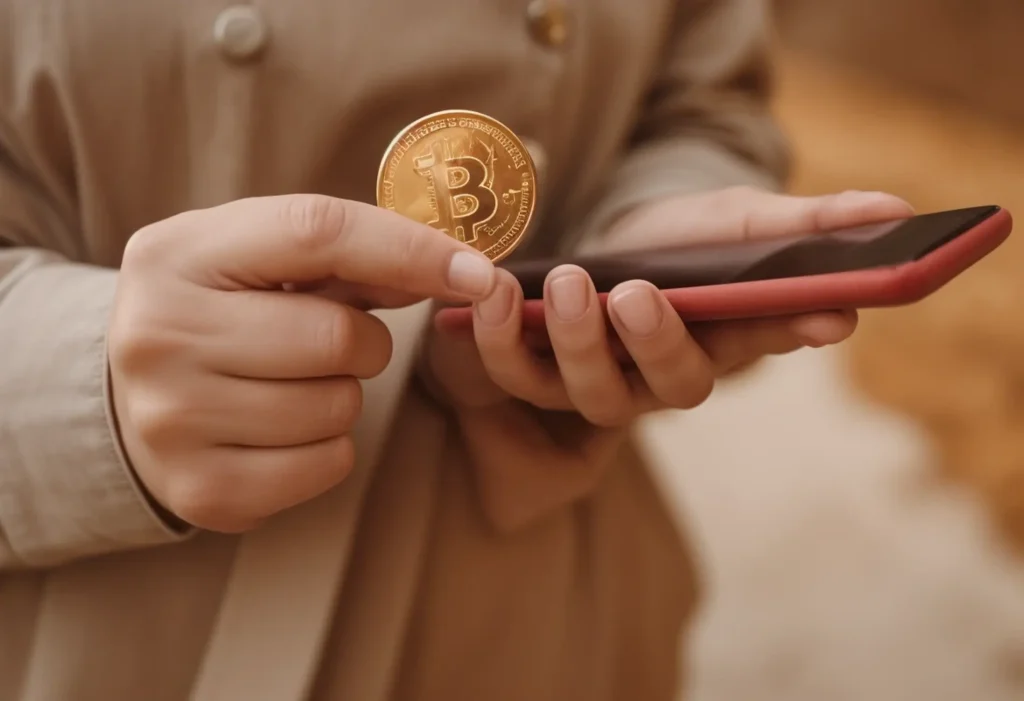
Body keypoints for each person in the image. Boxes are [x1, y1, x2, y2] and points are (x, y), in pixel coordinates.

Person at [0, 0, 913, 699]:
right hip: (104, 621)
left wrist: (645, 234)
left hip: (534, 605)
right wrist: (88, 379)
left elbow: (698, 99)